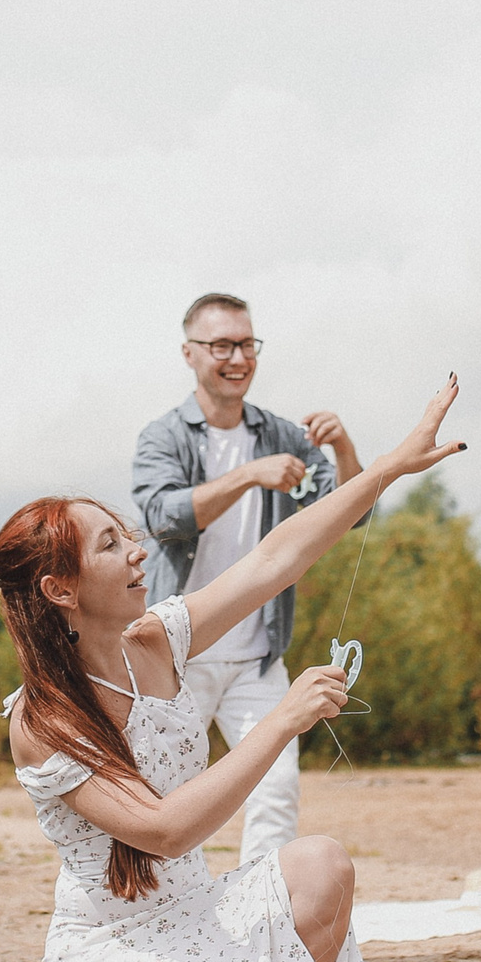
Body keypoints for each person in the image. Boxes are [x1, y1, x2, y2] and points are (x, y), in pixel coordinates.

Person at [0, 377, 466, 962]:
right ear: (60, 588)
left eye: (127, 533)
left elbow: (273, 561)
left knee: (322, 864)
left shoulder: (156, 637)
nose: (138, 550)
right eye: (111, 544)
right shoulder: (43, 717)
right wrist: (280, 721)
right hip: (115, 948)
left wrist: (386, 466)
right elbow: (164, 831)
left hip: (197, 915)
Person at [132, 294, 365, 866]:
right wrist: (247, 477)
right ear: (190, 354)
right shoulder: (162, 437)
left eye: (246, 344)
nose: (237, 357)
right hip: (177, 653)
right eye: (221, 346)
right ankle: (176, 918)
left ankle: (264, 919)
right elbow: (162, 516)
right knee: (168, 794)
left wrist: (342, 447)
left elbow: (354, 510)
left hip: (258, 655)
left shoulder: (282, 434)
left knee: (276, 786)